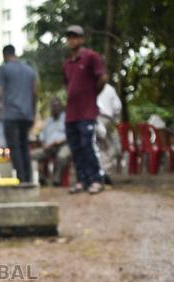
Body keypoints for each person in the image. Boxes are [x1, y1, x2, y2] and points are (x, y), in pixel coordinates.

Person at [62, 25, 107, 195]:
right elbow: (68, 85)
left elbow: (102, 78)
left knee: (87, 146)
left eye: (75, 36)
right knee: (76, 148)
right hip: (71, 114)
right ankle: (82, 180)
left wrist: (92, 94)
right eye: (69, 37)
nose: (72, 40)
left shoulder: (91, 57)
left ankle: (96, 180)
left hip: (87, 112)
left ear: (82, 39)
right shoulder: (67, 63)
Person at [0, 44, 38, 183]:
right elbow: (35, 93)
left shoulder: (4, 69)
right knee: (24, 146)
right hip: (27, 115)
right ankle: (29, 179)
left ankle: (22, 180)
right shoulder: (30, 70)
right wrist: (33, 113)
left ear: (4, 55)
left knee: (15, 148)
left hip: (11, 115)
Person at [31, 98, 71, 187]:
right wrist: (44, 144)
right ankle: (41, 178)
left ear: (61, 107)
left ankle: (56, 180)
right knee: (31, 155)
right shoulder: (48, 121)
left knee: (62, 156)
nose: (55, 108)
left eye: (57, 106)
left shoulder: (66, 118)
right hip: (49, 147)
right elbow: (42, 137)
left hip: (64, 145)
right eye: (53, 106)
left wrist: (58, 142)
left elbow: (71, 135)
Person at [95, 82, 122, 184]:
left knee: (101, 147)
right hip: (107, 120)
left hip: (96, 120)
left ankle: (102, 173)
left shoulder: (89, 86)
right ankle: (104, 173)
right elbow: (118, 106)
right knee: (110, 148)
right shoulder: (109, 88)